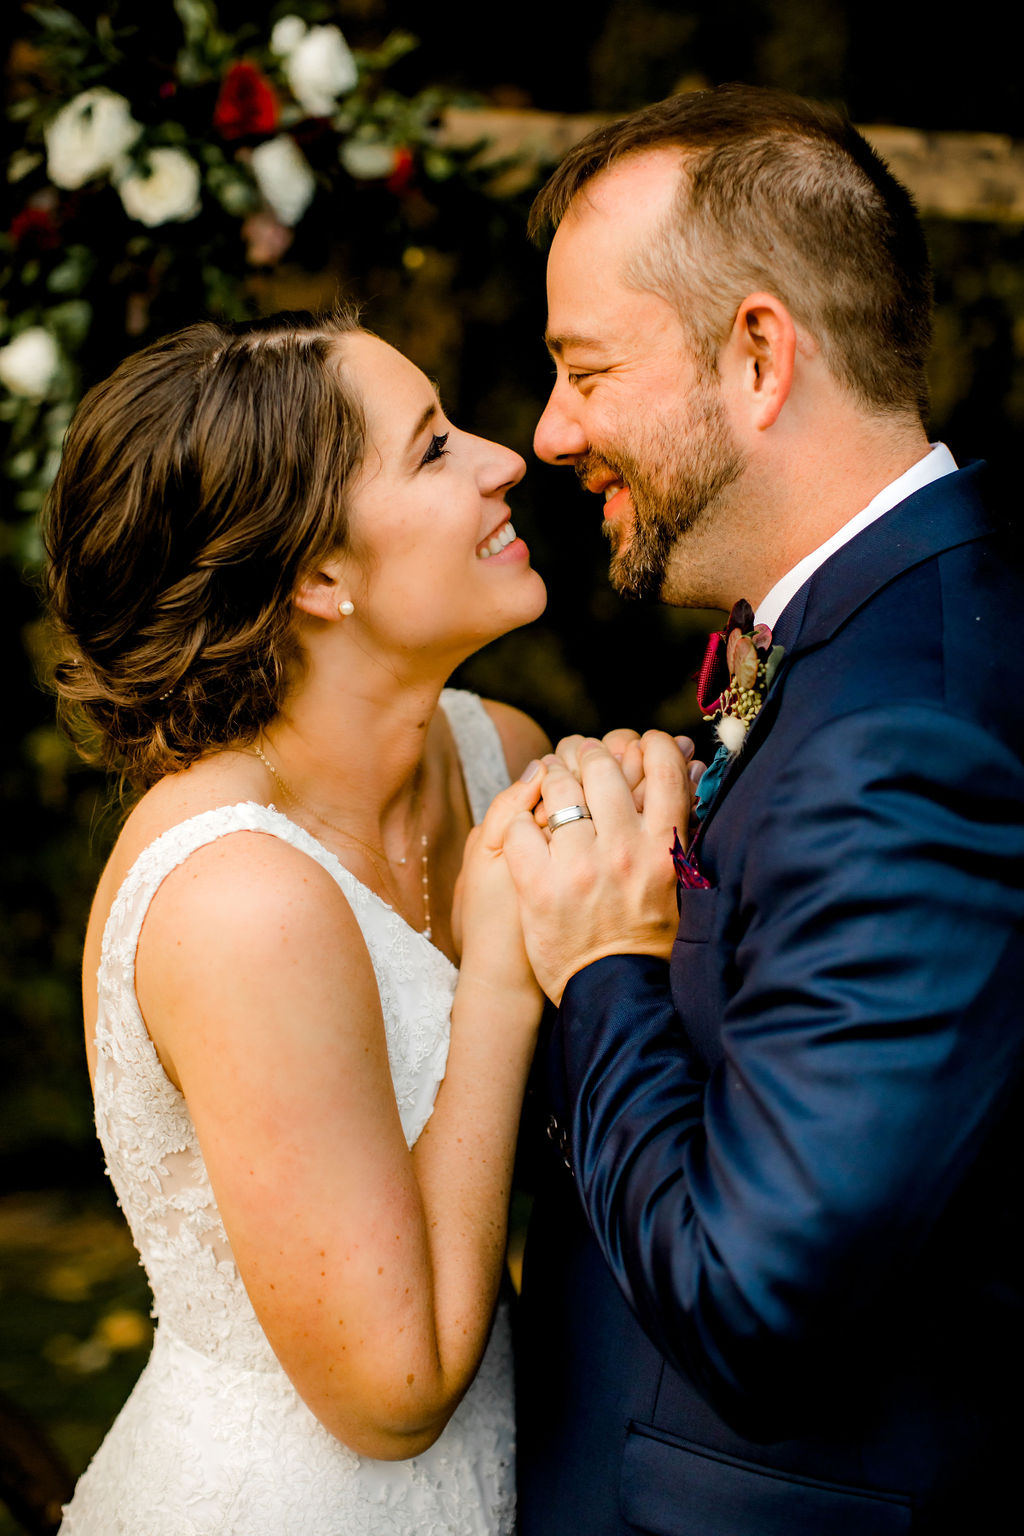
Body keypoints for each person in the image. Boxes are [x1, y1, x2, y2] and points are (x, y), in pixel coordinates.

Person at [505, 86, 1024, 1534]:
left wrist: (603, 958)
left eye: (586, 370)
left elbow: (753, 1300)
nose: (551, 432)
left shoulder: (913, 731)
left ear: (756, 355)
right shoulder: (866, 634)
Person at [44, 308, 551, 1535]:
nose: (504, 458)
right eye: (432, 450)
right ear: (319, 576)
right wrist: (499, 976)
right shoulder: (238, 900)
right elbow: (394, 1391)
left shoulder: (498, 759)